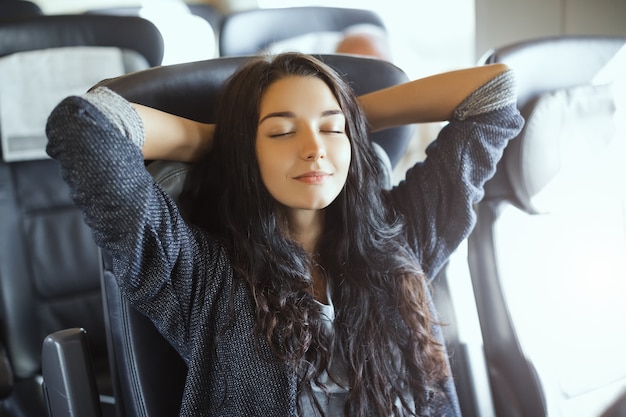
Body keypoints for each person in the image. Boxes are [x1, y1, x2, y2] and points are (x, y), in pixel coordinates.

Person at [46, 52, 524, 417]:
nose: (314, 149)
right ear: (245, 152)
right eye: (280, 134)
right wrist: (221, 138)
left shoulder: (404, 236)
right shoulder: (204, 278)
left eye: (330, 130)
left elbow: (494, 93)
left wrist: (351, 121)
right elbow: (83, 126)